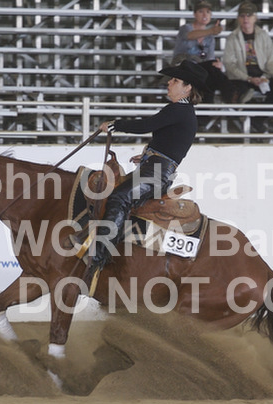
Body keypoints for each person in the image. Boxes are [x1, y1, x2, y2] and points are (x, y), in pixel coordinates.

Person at [82, 60, 208, 290]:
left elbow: (148, 124)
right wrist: (150, 155)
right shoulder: (182, 111)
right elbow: (171, 141)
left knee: (119, 197)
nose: (169, 83)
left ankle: (97, 258)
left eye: (175, 80)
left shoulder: (178, 110)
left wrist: (115, 125)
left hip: (156, 172)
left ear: (188, 88)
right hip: (155, 168)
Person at [172, 1, 242, 103]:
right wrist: (211, 31)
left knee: (211, 75)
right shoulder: (185, 29)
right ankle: (231, 94)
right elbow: (190, 35)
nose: (205, 15)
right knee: (211, 72)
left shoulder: (210, 38)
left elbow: (210, 58)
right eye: (201, 11)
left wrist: (217, 64)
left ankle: (208, 106)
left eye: (208, 12)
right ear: (195, 14)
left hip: (201, 70)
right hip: (184, 66)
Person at [222, 1, 273, 104]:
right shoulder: (232, 38)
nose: (245, 19)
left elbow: (272, 60)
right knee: (235, 94)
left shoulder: (263, 36)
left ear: (255, 18)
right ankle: (253, 110)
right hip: (241, 78)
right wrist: (248, 78)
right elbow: (229, 65)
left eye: (249, 15)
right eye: (242, 16)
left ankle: (258, 114)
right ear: (238, 18)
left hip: (262, 76)